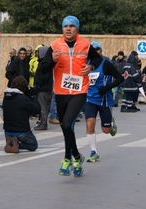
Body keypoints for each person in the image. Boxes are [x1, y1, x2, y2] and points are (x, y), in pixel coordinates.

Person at [40, 15, 98, 177]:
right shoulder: (55, 45)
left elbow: (98, 58)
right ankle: (77, 157)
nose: (68, 28)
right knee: (67, 127)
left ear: (77, 28)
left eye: (71, 26)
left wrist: (91, 65)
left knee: (66, 124)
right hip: (61, 92)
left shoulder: (85, 45)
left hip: (79, 91)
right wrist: (51, 60)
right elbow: (43, 69)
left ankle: (67, 158)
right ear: (62, 29)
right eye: (65, 26)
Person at [85, 41, 123, 162]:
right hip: (90, 99)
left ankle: (111, 125)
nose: (95, 51)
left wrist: (107, 88)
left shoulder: (106, 64)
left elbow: (120, 78)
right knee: (90, 123)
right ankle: (94, 151)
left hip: (104, 100)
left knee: (106, 131)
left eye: (97, 49)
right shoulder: (86, 64)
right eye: (93, 49)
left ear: (100, 51)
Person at [3, 76, 40, 153]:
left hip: (7, 130)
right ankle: (17, 144)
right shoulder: (23, 99)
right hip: (21, 131)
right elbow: (36, 110)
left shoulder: (6, 98)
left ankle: (10, 142)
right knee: (33, 145)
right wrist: (33, 96)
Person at [33, 46, 53, 130]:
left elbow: (43, 77)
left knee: (43, 107)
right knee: (44, 106)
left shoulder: (44, 64)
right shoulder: (45, 62)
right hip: (45, 88)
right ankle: (42, 122)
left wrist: (37, 84)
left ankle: (43, 124)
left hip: (43, 89)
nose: (37, 54)